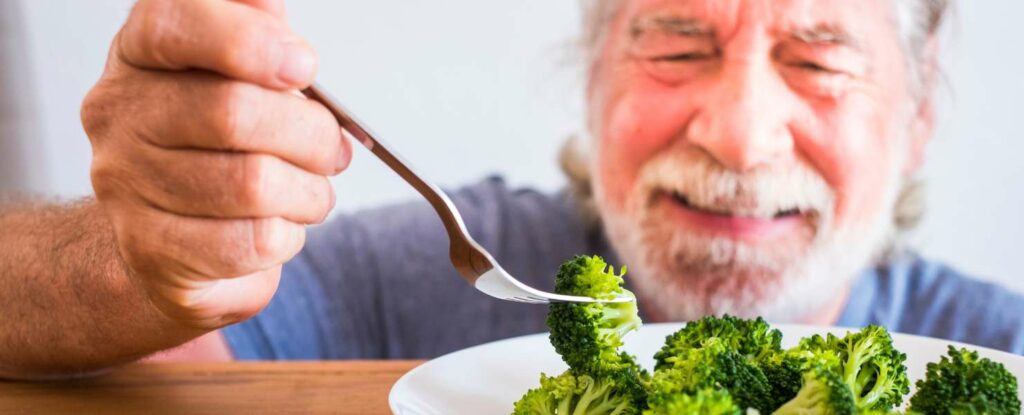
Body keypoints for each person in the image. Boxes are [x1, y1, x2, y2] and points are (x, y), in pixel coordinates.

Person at [2, 0, 1021, 379]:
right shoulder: (405, 280)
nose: (740, 136)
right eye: (674, 43)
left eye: (820, 58)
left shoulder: (996, 354)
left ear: (917, 115)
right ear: (593, 79)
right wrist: (127, 259)